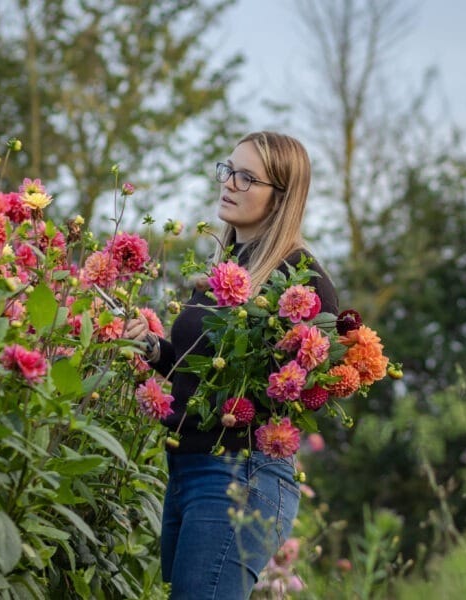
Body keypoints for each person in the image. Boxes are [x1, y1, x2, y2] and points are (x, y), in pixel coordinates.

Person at [125, 131, 338, 599]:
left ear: (280, 197)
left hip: (240, 474)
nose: (230, 183)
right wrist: (153, 348)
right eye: (229, 170)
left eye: (248, 177)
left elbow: (307, 386)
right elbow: (204, 370)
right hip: (191, 469)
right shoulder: (231, 270)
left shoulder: (298, 277)